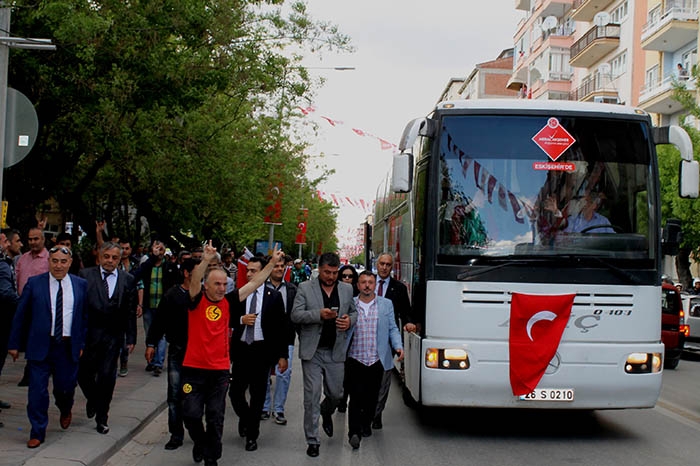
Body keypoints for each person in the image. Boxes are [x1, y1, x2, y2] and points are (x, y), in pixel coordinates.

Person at [181, 241, 283, 466]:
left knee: (216, 417)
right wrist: (206, 259)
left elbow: (256, 282)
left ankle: (211, 457)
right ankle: (200, 441)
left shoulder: (229, 302)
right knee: (190, 413)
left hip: (218, 373)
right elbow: (195, 279)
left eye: (223, 283)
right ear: (206, 286)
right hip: (192, 373)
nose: (220, 287)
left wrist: (272, 264)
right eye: (215, 283)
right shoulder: (196, 300)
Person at [7, 246, 88, 448]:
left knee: (65, 387)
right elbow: (21, 316)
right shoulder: (35, 284)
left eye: (63, 261)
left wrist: (81, 343)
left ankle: (65, 407)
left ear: (69, 263)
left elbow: (85, 317)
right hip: (40, 345)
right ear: (48, 262)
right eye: (54, 261)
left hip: (67, 347)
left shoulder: (80, 285)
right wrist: (14, 344)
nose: (58, 265)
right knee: (37, 391)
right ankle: (37, 430)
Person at [291, 252, 357, 458]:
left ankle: (326, 411)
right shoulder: (305, 288)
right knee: (311, 396)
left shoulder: (346, 289)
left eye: (335, 272)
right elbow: (295, 315)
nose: (331, 276)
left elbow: (354, 312)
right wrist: (318, 314)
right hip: (313, 350)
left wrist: (349, 321)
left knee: (337, 395)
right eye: (327, 272)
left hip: (336, 351)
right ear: (319, 269)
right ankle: (312, 439)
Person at [228, 255, 288, 452]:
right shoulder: (239, 294)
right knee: (235, 393)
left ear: (263, 272)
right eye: (248, 270)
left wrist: (282, 355)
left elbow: (281, 328)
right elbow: (226, 318)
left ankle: (252, 434)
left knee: (258, 395)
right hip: (242, 350)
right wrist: (240, 320)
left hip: (262, 352)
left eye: (254, 271)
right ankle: (246, 418)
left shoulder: (274, 297)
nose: (249, 274)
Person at [77, 242, 138, 434]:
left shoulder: (127, 279)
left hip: (113, 336)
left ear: (120, 260)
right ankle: (93, 399)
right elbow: (80, 308)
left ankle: (102, 417)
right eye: (107, 257)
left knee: (107, 377)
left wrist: (131, 337)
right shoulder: (85, 276)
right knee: (84, 374)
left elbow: (130, 310)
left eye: (114, 258)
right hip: (89, 335)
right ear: (99, 256)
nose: (110, 261)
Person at [345, 270, 403, 449]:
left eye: (370, 282)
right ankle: (353, 432)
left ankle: (365, 423)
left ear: (375, 285)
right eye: (363, 282)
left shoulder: (386, 304)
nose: (367, 285)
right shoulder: (350, 304)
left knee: (372, 398)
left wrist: (398, 346)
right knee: (355, 396)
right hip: (355, 358)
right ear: (358, 285)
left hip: (377, 359)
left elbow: (393, 328)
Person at [145, 258, 198, 451]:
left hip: (198, 354)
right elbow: (159, 321)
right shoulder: (172, 295)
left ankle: (195, 429)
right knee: (175, 395)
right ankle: (176, 434)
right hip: (177, 350)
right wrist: (151, 343)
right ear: (186, 273)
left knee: (193, 395)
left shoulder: (203, 295)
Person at [372, 252, 416, 430]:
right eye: (381, 263)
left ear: (392, 267)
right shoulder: (366, 283)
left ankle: (377, 414)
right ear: (377, 264)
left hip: (386, 341)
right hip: (365, 338)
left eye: (388, 265)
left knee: (383, 380)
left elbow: (405, 312)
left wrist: (409, 323)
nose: (384, 267)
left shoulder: (399, 288)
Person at [261, 254, 297, 425]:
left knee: (284, 373)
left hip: (286, 338)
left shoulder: (291, 289)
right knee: (264, 373)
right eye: (276, 266)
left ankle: (279, 409)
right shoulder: (259, 287)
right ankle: (265, 406)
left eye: (282, 266)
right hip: (264, 338)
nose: (280, 269)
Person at [0, 231, 19, 422]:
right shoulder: (2, 265)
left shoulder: (7, 263)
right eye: (5, 241)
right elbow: (5, 293)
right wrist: (24, 304)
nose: (8, 244)